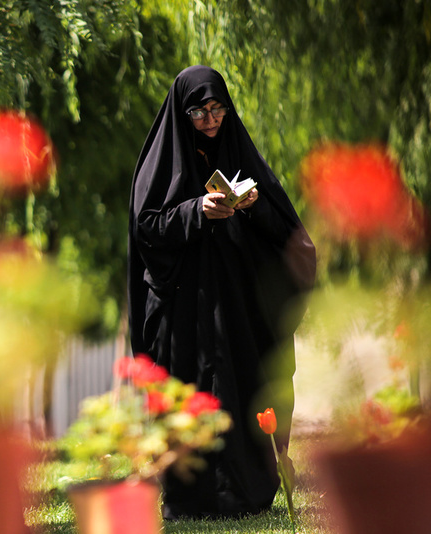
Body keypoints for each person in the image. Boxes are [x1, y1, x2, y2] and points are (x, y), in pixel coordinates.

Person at [127, 65, 316, 519]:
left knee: (244, 386)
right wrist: (196, 210)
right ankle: (189, 497)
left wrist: (252, 206)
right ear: (182, 114)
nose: (210, 120)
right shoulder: (162, 163)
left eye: (217, 110)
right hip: (184, 309)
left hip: (238, 307)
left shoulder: (240, 155)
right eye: (199, 112)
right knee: (189, 393)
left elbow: (288, 235)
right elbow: (146, 226)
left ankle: (247, 490)